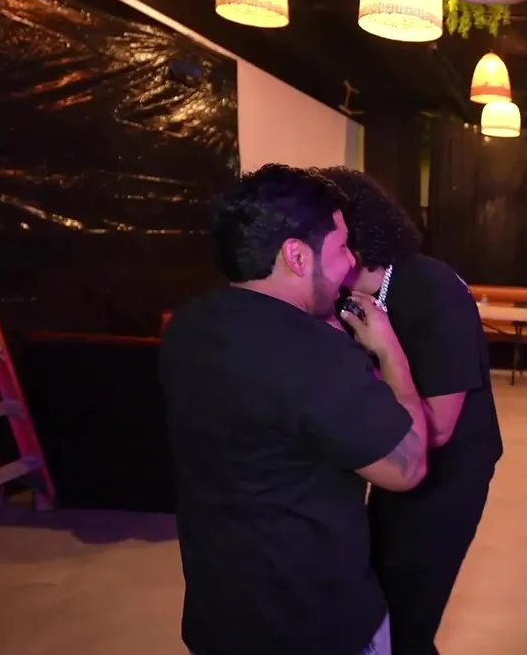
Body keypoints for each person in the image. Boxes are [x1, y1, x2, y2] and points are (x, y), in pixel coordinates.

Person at [158, 163, 430, 655]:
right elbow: (407, 467)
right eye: (342, 246)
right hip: (314, 623)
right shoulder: (315, 354)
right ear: (298, 256)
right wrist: (391, 353)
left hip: (220, 611)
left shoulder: (188, 326)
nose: (351, 261)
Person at [316, 166, 503, 655]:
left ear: (353, 239)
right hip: (391, 462)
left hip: (448, 474)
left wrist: (382, 353)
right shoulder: (346, 297)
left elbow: (437, 431)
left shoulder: (431, 290)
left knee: (407, 616)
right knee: (377, 604)